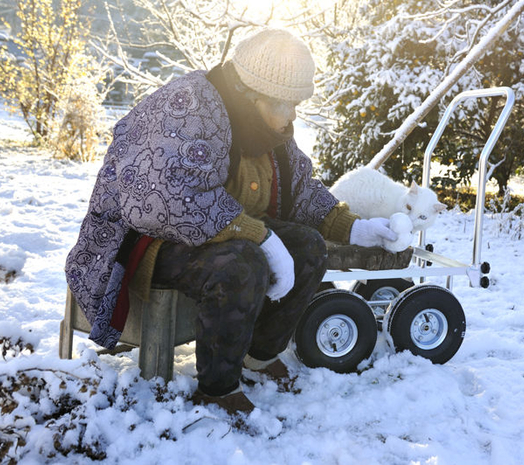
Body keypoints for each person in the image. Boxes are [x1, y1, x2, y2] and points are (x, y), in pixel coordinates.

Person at [65, 28, 397, 417]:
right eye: (286, 104)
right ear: (253, 95)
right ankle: (217, 390)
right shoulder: (187, 106)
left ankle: (257, 356)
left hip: (217, 233)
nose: (293, 115)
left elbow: (299, 187)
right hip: (146, 243)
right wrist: (260, 235)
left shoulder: (267, 128)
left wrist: (352, 227)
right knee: (241, 264)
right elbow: (161, 200)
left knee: (307, 247)